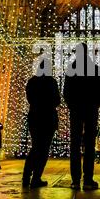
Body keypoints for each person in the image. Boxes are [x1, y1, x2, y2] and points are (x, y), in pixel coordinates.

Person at [64, 43, 100, 190]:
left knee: (75, 144)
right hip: (90, 109)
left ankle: (75, 180)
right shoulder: (95, 69)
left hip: (76, 110)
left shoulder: (71, 69)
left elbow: (66, 91)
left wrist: (72, 105)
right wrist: (95, 105)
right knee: (89, 145)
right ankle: (88, 179)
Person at [22, 58, 61, 188]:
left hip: (35, 117)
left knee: (35, 147)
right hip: (48, 118)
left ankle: (26, 176)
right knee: (43, 150)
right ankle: (36, 178)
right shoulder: (51, 82)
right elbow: (57, 100)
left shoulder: (32, 81)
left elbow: (29, 99)